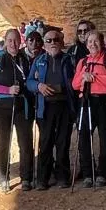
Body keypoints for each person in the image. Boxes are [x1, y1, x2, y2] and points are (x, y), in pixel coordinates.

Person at [0, 28, 33, 193]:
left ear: (21, 41)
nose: (13, 43)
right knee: (4, 143)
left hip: (21, 106)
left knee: (25, 143)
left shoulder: (25, 59)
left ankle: (26, 177)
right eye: (10, 40)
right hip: (1, 108)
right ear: (5, 42)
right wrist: (8, 90)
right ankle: (3, 177)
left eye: (16, 40)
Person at [27, 28, 75, 189]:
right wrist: (39, 86)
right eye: (49, 40)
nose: (52, 43)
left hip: (64, 106)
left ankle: (63, 176)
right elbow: (29, 82)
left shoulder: (69, 60)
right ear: (44, 44)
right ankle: (43, 178)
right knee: (45, 142)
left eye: (56, 40)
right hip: (45, 107)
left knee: (63, 142)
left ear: (61, 42)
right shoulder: (39, 60)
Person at [74, 27, 106, 185]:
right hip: (87, 100)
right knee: (83, 136)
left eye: (96, 41)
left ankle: (104, 171)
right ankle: (88, 172)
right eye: (90, 41)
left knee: (104, 135)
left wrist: (93, 77)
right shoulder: (83, 62)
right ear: (86, 44)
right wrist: (83, 76)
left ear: (102, 43)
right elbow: (75, 84)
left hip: (105, 101)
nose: (92, 44)